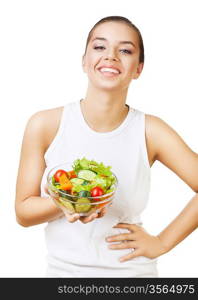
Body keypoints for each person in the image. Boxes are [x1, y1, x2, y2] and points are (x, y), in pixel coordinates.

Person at [15, 16, 198, 277]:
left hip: (132, 276)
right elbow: (23, 212)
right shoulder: (44, 124)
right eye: (100, 47)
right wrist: (71, 202)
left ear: (138, 69)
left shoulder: (151, 130)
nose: (111, 56)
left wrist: (162, 242)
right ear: (84, 60)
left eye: (125, 50)